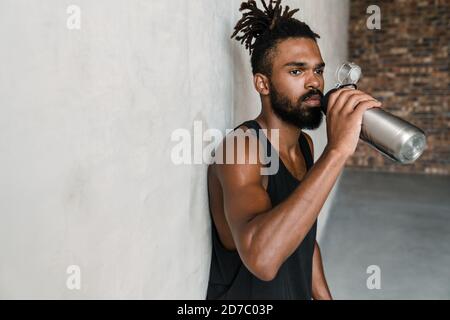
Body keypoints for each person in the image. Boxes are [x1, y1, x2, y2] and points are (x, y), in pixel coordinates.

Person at [206, 0, 382, 300]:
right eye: (297, 71)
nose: (314, 82)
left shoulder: (305, 144)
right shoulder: (240, 149)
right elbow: (262, 260)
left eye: (318, 70)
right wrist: (337, 151)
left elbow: (302, 230)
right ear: (263, 83)